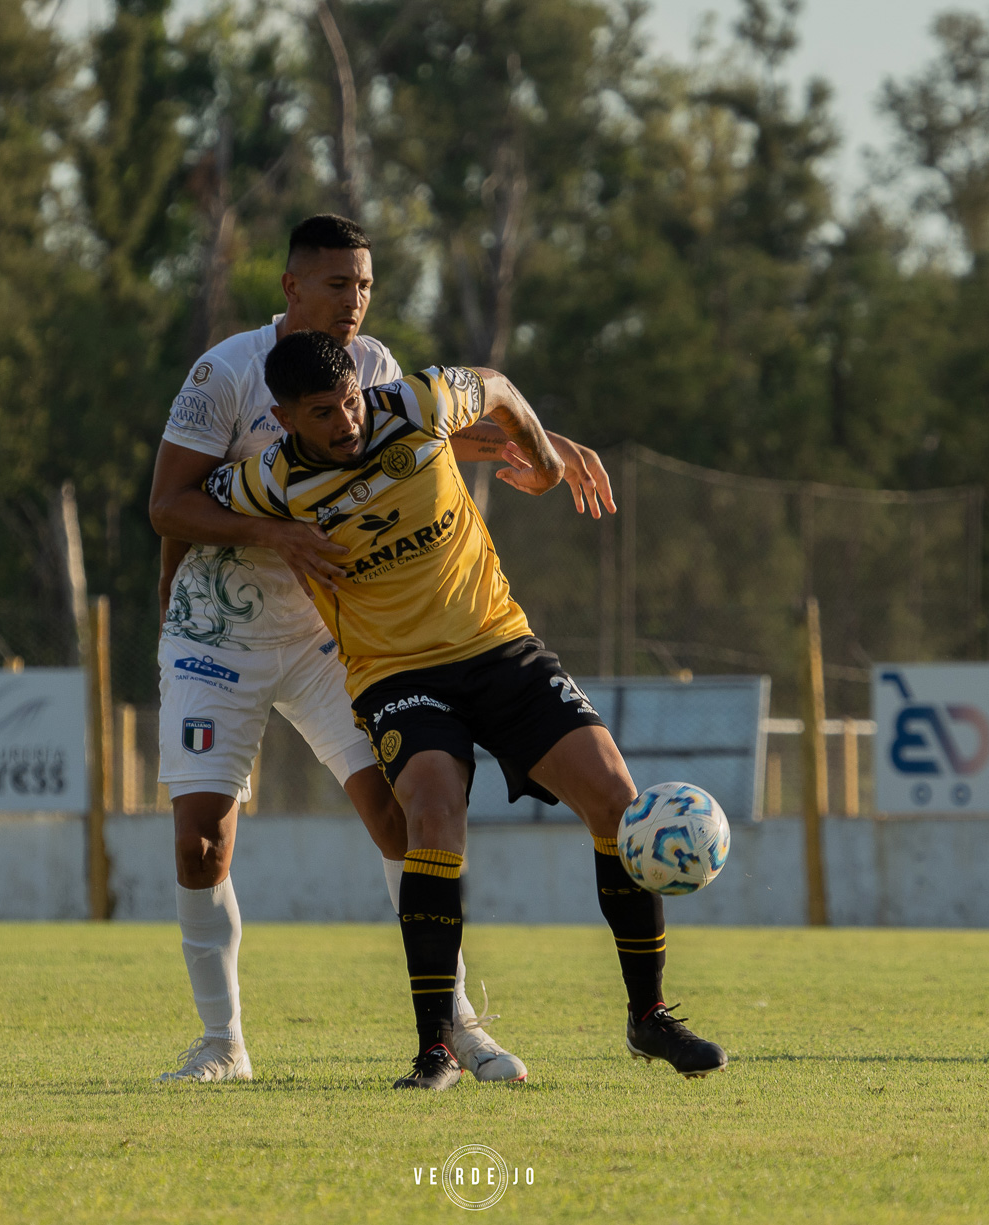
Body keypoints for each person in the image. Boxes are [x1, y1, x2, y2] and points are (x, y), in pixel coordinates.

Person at [146, 215, 613, 1083]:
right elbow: (167, 504)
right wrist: (271, 536)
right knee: (201, 844)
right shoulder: (222, 374)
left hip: (339, 635)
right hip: (219, 634)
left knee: (406, 817)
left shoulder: (377, 367)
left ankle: (457, 1025)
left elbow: (420, 439)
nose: (354, 301)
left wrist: (539, 439)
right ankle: (222, 1045)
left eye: (364, 285)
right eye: (337, 285)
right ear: (292, 288)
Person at [204, 329, 727, 1089]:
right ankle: (436, 1047)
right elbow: (178, 504)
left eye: (350, 400)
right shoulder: (270, 480)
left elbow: (502, 387)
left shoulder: (417, 402)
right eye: (323, 413)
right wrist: (268, 533)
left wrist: (546, 460)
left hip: (500, 647)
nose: (347, 421)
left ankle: (648, 1017)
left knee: (615, 796)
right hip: (396, 672)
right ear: (284, 419)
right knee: (433, 804)